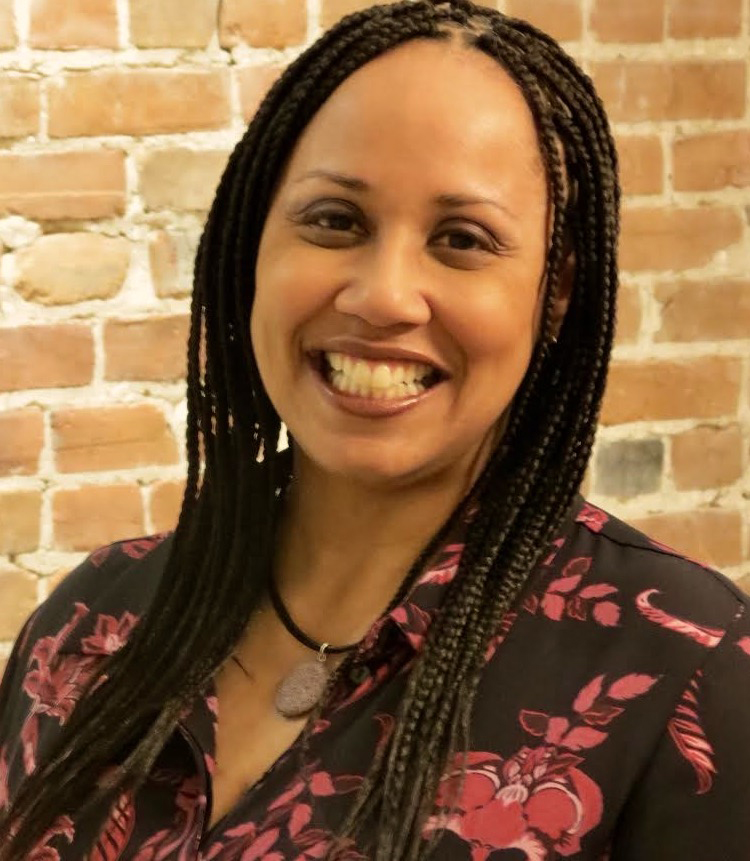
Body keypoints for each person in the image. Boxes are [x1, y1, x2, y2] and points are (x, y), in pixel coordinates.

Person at [1, 0, 748, 858]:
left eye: (462, 239)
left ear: (557, 291)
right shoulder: (92, 619)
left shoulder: (687, 669)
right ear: (253, 244)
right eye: (335, 220)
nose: (384, 295)